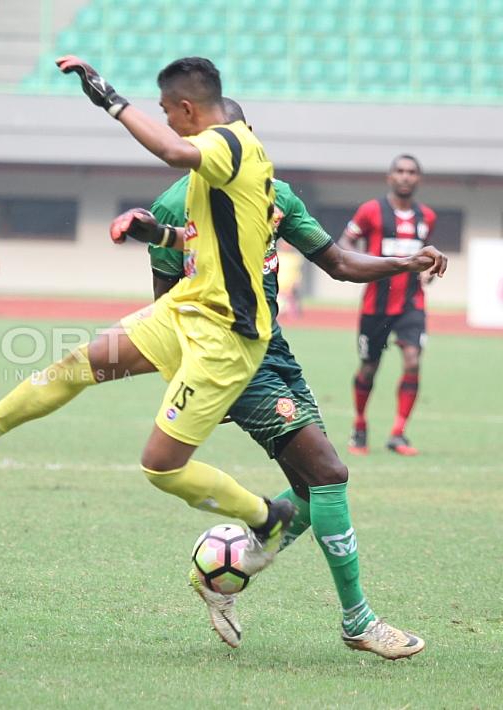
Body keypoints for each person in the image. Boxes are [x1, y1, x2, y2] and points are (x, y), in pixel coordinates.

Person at [0, 56, 297, 575]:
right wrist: (159, 235)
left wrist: (111, 100)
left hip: (226, 335)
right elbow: (214, 240)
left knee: (161, 468)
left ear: (188, 109)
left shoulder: (228, 144)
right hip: (189, 307)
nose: (166, 119)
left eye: (168, 110)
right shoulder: (235, 161)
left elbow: (171, 150)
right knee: (83, 362)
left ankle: (266, 517)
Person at [148, 98, 441, 659]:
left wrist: (404, 262)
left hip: (273, 349)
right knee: (330, 471)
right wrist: (190, 368)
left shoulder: (277, 197)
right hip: (228, 359)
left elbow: (339, 263)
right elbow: (163, 305)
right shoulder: (171, 205)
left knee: (310, 491)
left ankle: (222, 572)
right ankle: (358, 620)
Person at [338, 155, 435, 457]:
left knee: (413, 361)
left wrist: (429, 270)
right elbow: (345, 243)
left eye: (411, 172)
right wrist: (364, 264)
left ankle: (398, 433)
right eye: (400, 171)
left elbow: (424, 257)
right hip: (375, 305)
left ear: (418, 179)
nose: (405, 177)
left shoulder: (426, 217)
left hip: (411, 303)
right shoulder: (371, 211)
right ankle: (359, 425)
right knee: (369, 368)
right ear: (390, 177)